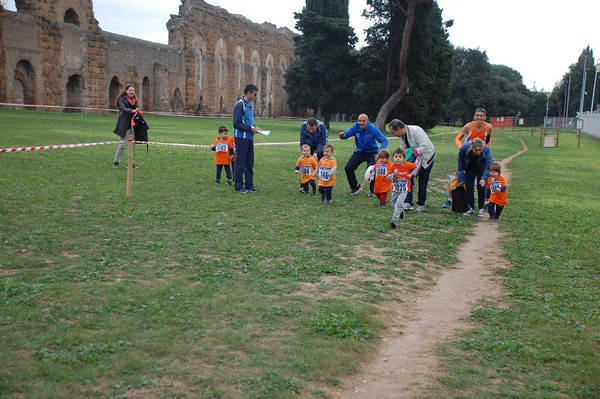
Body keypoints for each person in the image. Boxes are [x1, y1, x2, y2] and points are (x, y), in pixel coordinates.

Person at [388, 119, 436, 212]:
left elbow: (424, 146)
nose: (393, 134)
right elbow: (404, 149)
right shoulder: (402, 136)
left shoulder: (416, 130)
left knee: (422, 180)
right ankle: (408, 202)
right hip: (413, 159)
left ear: (398, 129)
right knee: (407, 178)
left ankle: (421, 204)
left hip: (426, 157)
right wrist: (402, 158)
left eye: (393, 132)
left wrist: (413, 153)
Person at [338, 114, 388, 195]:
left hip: (372, 152)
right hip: (359, 152)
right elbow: (346, 134)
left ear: (368, 121)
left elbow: (384, 141)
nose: (361, 123)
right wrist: (342, 135)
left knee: (371, 170)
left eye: (363, 121)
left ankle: (372, 190)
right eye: (359, 121)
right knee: (348, 167)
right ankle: (355, 188)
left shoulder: (373, 129)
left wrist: (379, 153)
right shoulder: (355, 127)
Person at [233, 83, 262, 193]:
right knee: (240, 161)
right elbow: (237, 123)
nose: (255, 96)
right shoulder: (240, 105)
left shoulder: (249, 104)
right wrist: (250, 128)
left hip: (249, 138)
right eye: (254, 94)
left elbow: (248, 121)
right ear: (248, 92)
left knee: (250, 162)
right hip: (241, 138)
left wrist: (255, 127)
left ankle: (249, 185)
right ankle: (239, 186)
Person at [457, 138, 493, 216]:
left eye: (480, 150)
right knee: (469, 186)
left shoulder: (486, 149)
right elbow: (460, 158)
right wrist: (461, 171)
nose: (478, 152)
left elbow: (488, 165)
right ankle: (471, 208)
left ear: (482, 148)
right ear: (471, 148)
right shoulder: (465, 147)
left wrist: (484, 178)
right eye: (476, 150)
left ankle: (481, 208)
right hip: (470, 167)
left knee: (481, 186)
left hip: (482, 168)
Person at [387, 148, 418, 229]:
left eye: (400, 157)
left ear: (404, 159)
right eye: (396, 156)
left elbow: (416, 167)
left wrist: (411, 175)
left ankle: (394, 221)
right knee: (393, 203)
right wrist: (394, 174)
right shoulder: (392, 166)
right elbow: (387, 177)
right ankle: (401, 211)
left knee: (398, 204)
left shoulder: (407, 165)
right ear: (393, 158)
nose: (397, 158)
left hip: (404, 190)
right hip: (395, 189)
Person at [112, 84, 139, 168]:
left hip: (133, 125)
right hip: (125, 124)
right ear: (126, 91)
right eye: (130, 90)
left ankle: (129, 163)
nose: (132, 92)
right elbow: (123, 109)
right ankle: (116, 162)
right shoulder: (122, 99)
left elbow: (136, 111)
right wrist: (132, 111)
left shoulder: (135, 100)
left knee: (132, 145)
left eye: (133, 90)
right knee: (122, 144)